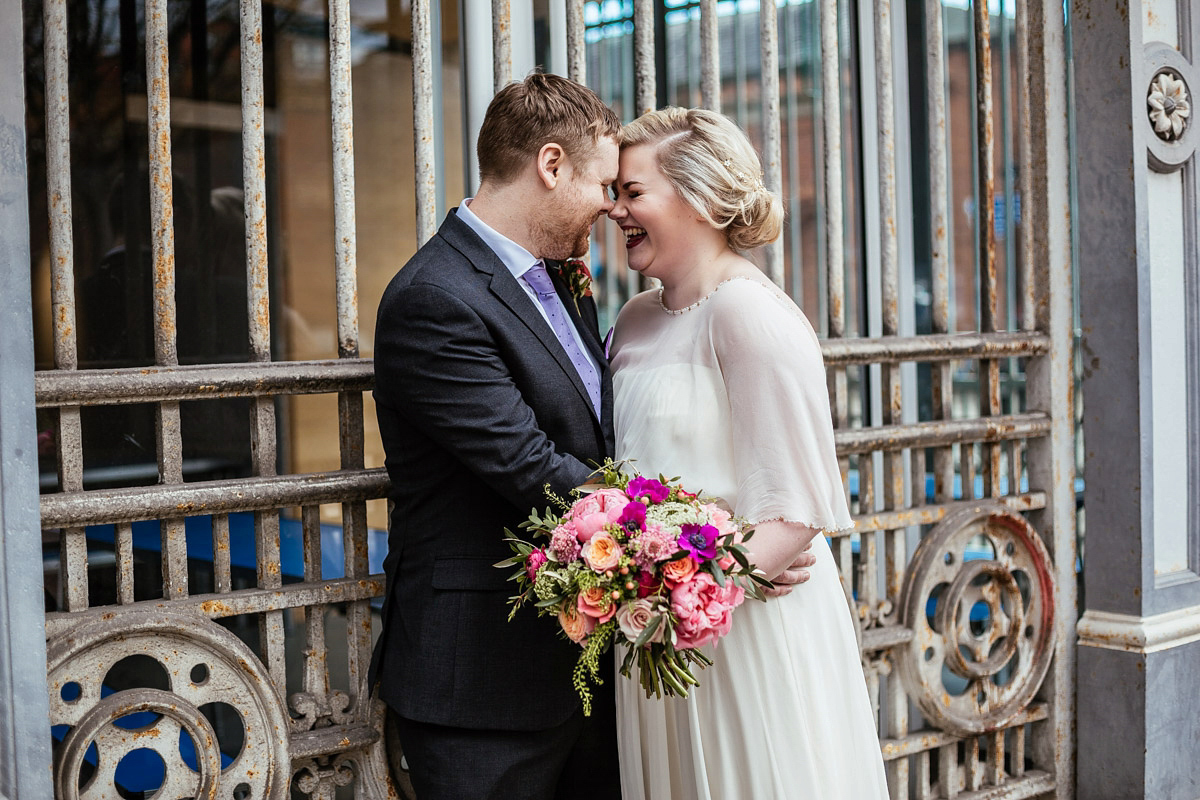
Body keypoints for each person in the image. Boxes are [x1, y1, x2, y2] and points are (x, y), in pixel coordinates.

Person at [607, 107, 889, 799]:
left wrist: (692, 596)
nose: (614, 209)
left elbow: (796, 510)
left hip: (744, 631)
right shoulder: (633, 317)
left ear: (699, 201)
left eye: (633, 192)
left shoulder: (750, 314)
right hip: (657, 629)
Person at [371, 73, 623, 800]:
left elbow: (591, 433)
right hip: (480, 681)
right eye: (603, 185)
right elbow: (528, 464)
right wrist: (690, 529)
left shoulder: (563, 279)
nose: (610, 207)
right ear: (551, 165)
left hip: (580, 664)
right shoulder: (434, 297)